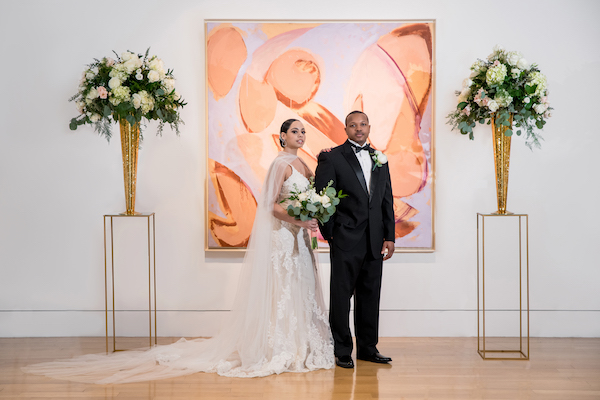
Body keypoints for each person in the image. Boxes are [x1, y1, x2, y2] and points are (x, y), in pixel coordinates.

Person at [23, 119, 334, 383]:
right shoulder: (280, 164)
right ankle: (279, 345)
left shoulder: (303, 163)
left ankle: (301, 344)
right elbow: (269, 205)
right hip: (284, 236)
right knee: (282, 290)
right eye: (294, 131)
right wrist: (299, 218)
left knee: (300, 287)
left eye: (302, 131)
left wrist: (312, 210)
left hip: (300, 238)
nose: (300, 136)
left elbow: (311, 193)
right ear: (282, 136)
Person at [315, 111, 395, 369]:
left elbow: (386, 199)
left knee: (371, 295)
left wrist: (389, 236)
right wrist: (331, 234)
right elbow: (322, 198)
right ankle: (342, 349)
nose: (358, 129)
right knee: (341, 296)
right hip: (345, 239)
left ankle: (368, 349)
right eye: (353, 125)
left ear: (369, 126)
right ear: (346, 128)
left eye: (362, 124)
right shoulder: (331, 157)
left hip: (375, 240)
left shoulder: (380, 158)